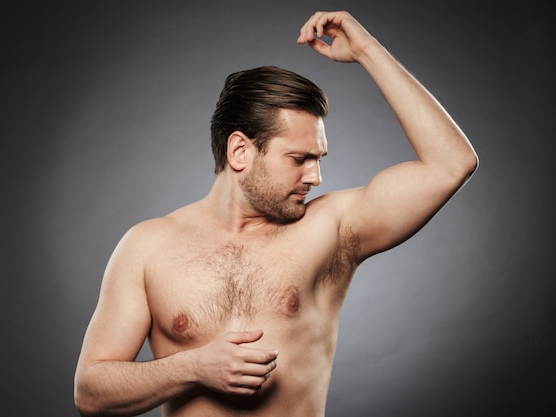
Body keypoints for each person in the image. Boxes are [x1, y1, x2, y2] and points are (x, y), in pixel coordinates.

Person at [74, 10, 478, 417]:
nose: (316, 177)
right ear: (240, 151)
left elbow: (451, 164)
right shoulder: (147, 247)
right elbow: (90, 395)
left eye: (318, 159)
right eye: (300, 158)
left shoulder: (332, 230)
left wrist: (368, 52)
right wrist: (193, 367)